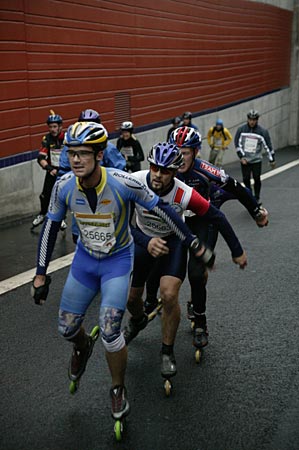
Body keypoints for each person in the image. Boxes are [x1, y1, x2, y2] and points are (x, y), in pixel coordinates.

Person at [31, 122, 217, 421]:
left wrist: (193, 241)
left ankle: (117, 389)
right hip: (85, 262)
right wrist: (40, 274)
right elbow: (51, 227)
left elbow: (164, 209)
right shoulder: (63, 185)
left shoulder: (123, 182)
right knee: (66, 328)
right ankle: (81, 347)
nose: (76, 159)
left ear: (100, 154)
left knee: (109, 330)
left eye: (83, 153)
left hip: (117, 262)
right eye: (71, 153)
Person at [124, 142, 247, 379]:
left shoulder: (183, 193)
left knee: (169, 295)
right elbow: (120, 223)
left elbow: (217, 217)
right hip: (143, 240)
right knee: (132, 299)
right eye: (155, 168)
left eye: (166, 171)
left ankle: (167, 351)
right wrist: (143, 240)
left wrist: (236, 250)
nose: (158, 175)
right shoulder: (135, 180)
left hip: (172, 242)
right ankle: (138, 320)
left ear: (176, 171)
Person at [145, 126, 268, 348]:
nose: (180, 158)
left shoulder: (208, 171)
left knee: (195, 273)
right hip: (178, 221)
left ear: (196, 152)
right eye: (176, 151)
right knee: (158, 257)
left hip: (203, 220)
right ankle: (150, 299)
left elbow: (238, 189)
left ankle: (200, 320)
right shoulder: (165, 171)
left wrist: (256, 212)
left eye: (185, 153)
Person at [58, 108, 126, 243]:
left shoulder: (108, 148)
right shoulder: (68, 148)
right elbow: (63, 175)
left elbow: (120, 175)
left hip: (106, 211)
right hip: (81, 211)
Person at [32, 112, 67, 230]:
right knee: (45, 195)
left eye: (55, 126)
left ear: (60, 127)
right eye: (50, 127)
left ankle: (61, 218)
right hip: (51, 170)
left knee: (62, 196)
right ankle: (42, 214)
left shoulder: (66, 138)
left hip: (65, 171)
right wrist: (49, 169)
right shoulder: (47, 139)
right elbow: (41, 158)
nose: (52, 129)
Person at [234, 109, 276, 205]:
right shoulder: (241, 130)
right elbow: (237, 144)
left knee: (257, 178)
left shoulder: (262, 131)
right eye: (250, 119)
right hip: (245, 160)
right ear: (247, 119)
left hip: (256, 159)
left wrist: (272, 159)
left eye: (254, 120)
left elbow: (268, 146)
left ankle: (256, 197)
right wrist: (241, 157)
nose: (252, 122)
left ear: (257, 120)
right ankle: (249, 196)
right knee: (246, 179)